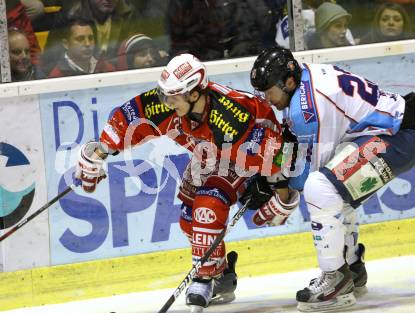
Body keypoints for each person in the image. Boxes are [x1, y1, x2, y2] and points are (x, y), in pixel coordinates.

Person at [75, 54, 300, 312]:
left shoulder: (230, 120)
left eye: (173, 97)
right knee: (188, 218)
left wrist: (278, 191)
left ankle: (204, 279)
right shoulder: (172, 102)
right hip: (208, 154)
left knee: (208, 205)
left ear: (194, 95)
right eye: (165, 94)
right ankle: (222, 276)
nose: (166, 102)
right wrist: (99, 152)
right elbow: (132, 116)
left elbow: (276, 152)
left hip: (241, 154)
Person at [249, 47, 415, 312]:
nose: (267, 98)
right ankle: (352, 265)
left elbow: (308, 174)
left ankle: (336, 280)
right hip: (387, 132)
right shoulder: (301, 77)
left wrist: (280, 191)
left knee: (320, 188)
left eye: (269, 92)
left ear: (288, 82)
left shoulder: (306, 110)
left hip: (396, 139)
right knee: (334, 191)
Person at [47, 18, 115, 78]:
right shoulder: (57, 76)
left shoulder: (105, 67)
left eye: (91, 38)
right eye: (80, 39)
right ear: (66, 44)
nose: (87, 44)